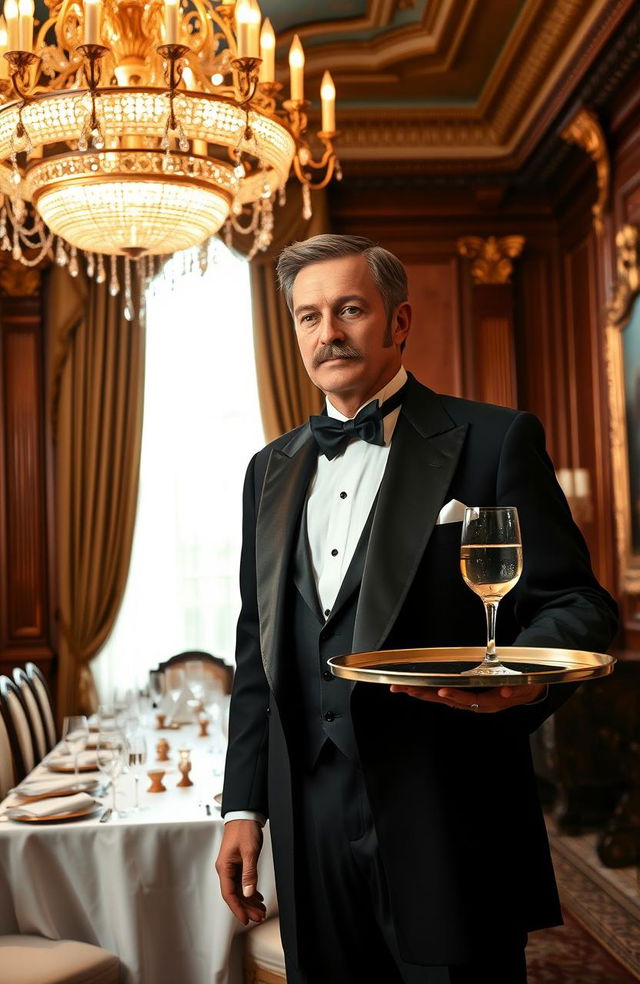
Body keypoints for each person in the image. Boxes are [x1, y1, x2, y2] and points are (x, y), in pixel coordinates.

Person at [216, 234, 617, 984]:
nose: (327, 332)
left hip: (449, 808)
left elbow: (578, 604)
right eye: (308, 316)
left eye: (349, 309)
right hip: (307, 815)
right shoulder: (267, 470)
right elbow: (254, 648)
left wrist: (527, 677)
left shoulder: (495, 441)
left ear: (398, 322)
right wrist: (244, 806)